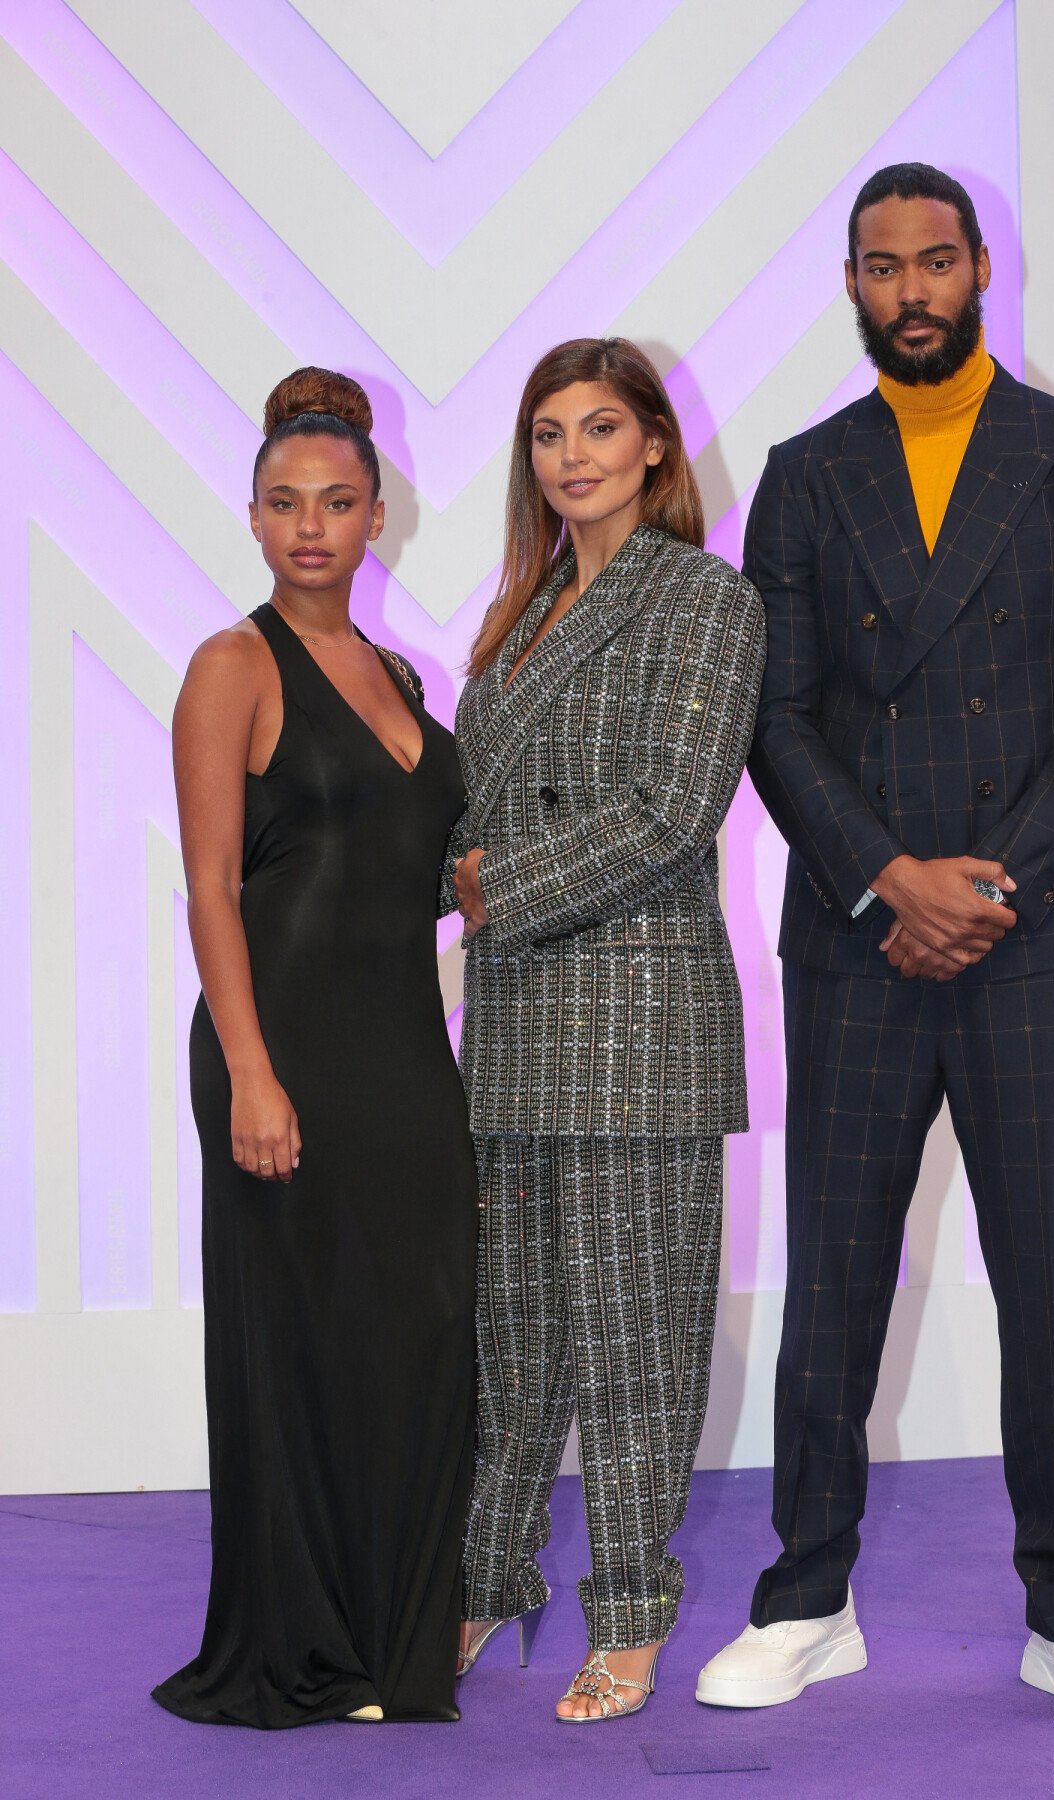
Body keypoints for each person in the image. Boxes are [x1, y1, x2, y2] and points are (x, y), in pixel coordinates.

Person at [696, 164, 1054, 1728]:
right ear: (851, 285)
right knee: (832, 1277)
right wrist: (889, 878)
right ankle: (808, 1598)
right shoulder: (806, 473)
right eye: (883, 267)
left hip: (1035, 937)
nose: (912, 289)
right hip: (859, 937)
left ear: (982, 272)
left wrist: (986, 886)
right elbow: (777, 713)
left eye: (937, 261)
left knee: (1047, 1277)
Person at [153, 368, 477, 1727]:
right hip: (276, 1051)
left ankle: (400, 1636)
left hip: (406, 1055)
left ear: (378, 516)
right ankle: (308, 1651)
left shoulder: (401, 673)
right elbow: (211, 888)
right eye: (284, 504)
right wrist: (253, 1071)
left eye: (337, 503)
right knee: (300, 1350)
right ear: (250, 518)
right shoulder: (232, 665)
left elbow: (430, 871)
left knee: (417, 1339)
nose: (310, 528)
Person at [448, 337, 765, 1722]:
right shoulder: (514, 618)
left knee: (636, 1345)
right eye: (546, 434)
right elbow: (475, 806)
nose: (571, 455)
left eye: (599, 428)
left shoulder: (706, 599)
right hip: (515, 1023)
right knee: (510, 1341)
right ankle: (480, 1579)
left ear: (652, 446)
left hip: (639, 1030)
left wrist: (488, 888)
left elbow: (671, 810)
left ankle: (632, 1614)